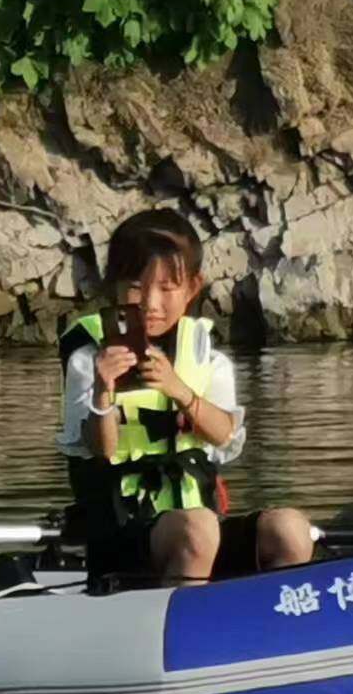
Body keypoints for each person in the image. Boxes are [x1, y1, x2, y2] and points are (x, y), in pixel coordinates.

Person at [56, 209, 314, 584]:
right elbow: (101, 449)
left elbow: (225, 436)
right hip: (124, 534)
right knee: (198, 530)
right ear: (112, 286)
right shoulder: (87, 358)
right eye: (135, 286)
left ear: (193, 288)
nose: (150, 302)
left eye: (166, 287)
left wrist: (178, 390)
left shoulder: (206, 357)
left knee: (291, 528)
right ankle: (185, 628)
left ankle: (283, 624)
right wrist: (103, 390)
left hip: (197, 525)